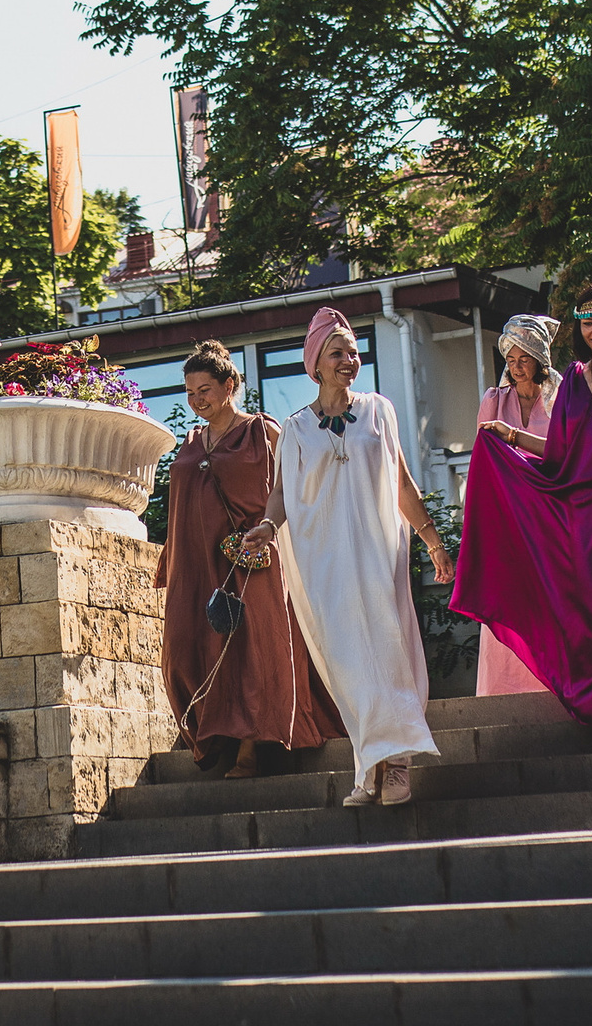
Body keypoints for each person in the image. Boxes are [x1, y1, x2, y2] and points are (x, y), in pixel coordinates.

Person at [450, 284, 592, 747]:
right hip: (589, 518)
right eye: (589, 322)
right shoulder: (574, 380)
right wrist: (509, 437)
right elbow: (560, 452)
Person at [240, 307, 444, 807]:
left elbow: (399, 482)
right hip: (325, 561)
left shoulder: (378, 410)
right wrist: (267, 526)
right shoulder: (295, 428)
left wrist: (433, 541)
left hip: (379, 553)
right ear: (315, 363)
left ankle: (397, 764)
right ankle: (368, 762)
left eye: (353, 351)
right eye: (338, 353)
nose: (349, 360)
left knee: (390, 649)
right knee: (348, 662)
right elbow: (281, 494)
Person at [156, 341, 344, 777]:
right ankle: (213, 734)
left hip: (251, 559)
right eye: (190, 392)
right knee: (183, 653)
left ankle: (248, 749)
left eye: (205, 389)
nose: (197, 399)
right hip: (196, 565)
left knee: (250, 651)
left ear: (230, 385)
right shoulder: (189, 442)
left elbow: (298, 488)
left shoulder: (263, 431)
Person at [466, 314, 560, 697]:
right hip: (507, 516)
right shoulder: (494, 400)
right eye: (510, 358)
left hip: (550, 514)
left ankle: (552, 686)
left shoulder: (562, 398)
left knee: (550, 599)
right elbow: (482, 461)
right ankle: (504, 693)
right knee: (507, 595)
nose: (516, 366)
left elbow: (570, 455)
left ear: (540, 358)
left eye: (524, 358)